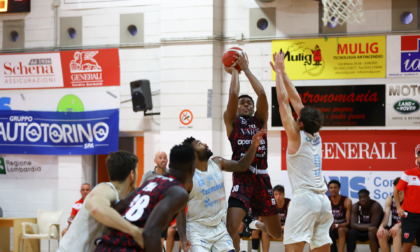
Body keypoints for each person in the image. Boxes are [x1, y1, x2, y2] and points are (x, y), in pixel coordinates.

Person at [272, 50, 333, 252]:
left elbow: (283, 100)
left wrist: (278, 74)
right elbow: (296, 99)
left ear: (299, 123)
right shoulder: (316, 135)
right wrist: (283, 72)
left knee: (291, 247)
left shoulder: (296, 136)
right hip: (324, 202)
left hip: (305, 199)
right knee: (321, 248)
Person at [224, 50, 282, 251]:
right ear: (237, 108)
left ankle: (251, 222)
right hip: (243, 177)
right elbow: (232, 94)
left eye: (249, 103)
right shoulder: (232, 122)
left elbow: (263, 94)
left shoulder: (260, 121)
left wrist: (246, 69)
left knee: (276, 233)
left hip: (262, 178)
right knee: (231, 228)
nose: (246, 105)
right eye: (242, 103)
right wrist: (235, 72)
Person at [177, 129, 266, 252]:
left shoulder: (217, 162)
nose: (204, 144)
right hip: (198, 231)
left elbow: (242, 166)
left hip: (219, 227)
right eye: (199, 144)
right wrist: (183, 237)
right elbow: (180, 211)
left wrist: (253, 146)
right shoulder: (188, 178)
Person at [95, 144, 196, 252]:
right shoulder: (179, 191)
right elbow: (150, 232)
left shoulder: (151, 181)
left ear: (170, 164)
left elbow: (117, 209)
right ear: (192, 168)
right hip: (128, 248)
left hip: (106, 245)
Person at [58, 151, 143, 252]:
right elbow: (96, 208)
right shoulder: (106, 188)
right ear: (132, 174)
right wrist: (134, 231)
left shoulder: (119, 198)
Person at [394, 150, 420, 252]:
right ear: (417, 159)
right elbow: (396, 191)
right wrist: (398, 208)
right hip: (410, 216)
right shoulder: (408, 173)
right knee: (407, 246)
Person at [260, 185, 291, 252]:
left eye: (280, 194)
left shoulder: (289, 203)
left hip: (287, 228)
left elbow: (291, 222)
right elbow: (269, 222)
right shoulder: (271, 204)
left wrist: (281, 230)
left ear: (284, 195)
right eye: (276, 194)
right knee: (265, 231)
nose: (278, 197)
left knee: (289, 233)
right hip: (276, 228)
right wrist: (275, 232)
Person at [377, 178, 404, 252]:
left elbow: (410, 218)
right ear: (393, 187)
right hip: (393, 227)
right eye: (396, 186)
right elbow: (386, 218)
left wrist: (398, 225)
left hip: (405, 226)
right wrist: (381, 226)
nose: (398, 189)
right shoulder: (390, 199)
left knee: (396, 232)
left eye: (400, 186)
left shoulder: (408, 200)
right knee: (381, 234)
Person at [328, 180, 352, 252]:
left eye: (335, 187)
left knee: (340, 230)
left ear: (339, 189)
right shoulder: (326, 200)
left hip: (343, 227)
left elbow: (348, 222)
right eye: (331, 188)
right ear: (328, 189)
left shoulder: (346, 201)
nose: (333, 189)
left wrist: (337, 225)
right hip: (330, 228)